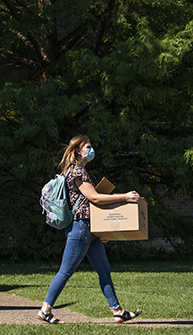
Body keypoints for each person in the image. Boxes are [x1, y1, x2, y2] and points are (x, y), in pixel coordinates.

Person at [37, 134, 142, 324]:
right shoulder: (77, 171)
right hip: (81, 227)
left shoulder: (76, 171)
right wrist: (124, 197)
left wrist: (101, 231)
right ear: (78, 150)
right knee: (66, 271)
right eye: (88, 146)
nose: (91, 150)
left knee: (104, 270)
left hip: (89, 229)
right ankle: (45, 309)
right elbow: (94, 198)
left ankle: (117, 311)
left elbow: (90, 203)